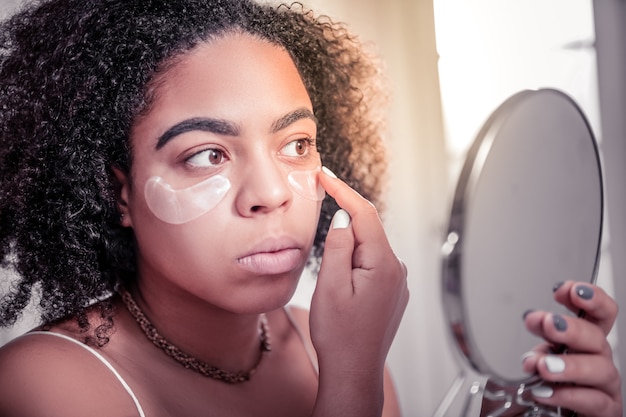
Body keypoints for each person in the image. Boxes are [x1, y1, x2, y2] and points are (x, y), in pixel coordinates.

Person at [0, 1, 619, 416]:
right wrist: (351, 383)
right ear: (119, 192)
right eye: (207, 155)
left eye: (296, 144)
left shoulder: (334, 345)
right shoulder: (47, 385)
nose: (272, 193)